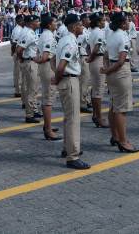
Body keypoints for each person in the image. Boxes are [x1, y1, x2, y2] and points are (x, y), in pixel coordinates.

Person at [52, 13, 91, 169]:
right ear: (74, 27)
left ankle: (67, 148)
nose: (82, 27)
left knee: (69, 117)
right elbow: (61, 65)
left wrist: (57, 77)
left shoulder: (65, 39)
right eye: (80, 24)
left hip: (67, 79)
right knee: (73, 119)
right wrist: (57, 78)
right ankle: (72, 156)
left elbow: (52, 59)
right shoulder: (70, 42)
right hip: (69, 80)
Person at [102, 12, 139, 152]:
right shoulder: (123, 36)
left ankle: (115, 136)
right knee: (121, 109)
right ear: (123, 23)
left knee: (114, 105)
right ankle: (123, 141)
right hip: (120, 71)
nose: (129, 22)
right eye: (127, 20)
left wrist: (107, 69)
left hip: (112, 69)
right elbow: (122, 60)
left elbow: (105, 54)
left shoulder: (111, 34)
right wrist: (108, 70)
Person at [35, 13, 61, 140]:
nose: (56, 24)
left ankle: (48, 125)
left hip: (46, 66)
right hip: (48, 66)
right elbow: (44, 56)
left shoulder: (45, 35)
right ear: (50, 24)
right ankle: (48, 129)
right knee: (48, 98)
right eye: (55, 22)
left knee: (48, 97)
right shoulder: (48, 37)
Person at [16, 15, 41, 123]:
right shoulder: (28, 33)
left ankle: (33, 110)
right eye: (37, 21)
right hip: (30, 62)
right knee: (32, 89)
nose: (39, 23)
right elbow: (19, 49)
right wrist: (22, 59)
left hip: (29, 61)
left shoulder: (28, 31)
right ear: (31, 23)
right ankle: (30, 114)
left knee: (30, 88)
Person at [87, 12, 109, 127]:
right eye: (102, 20)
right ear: (97, 22)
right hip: (98, 59)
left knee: (96, 89)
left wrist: (89, 57)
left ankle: (96, 115)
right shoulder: (99, 32)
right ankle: (99, 117)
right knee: (98, 90)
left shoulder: (92, 32)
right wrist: (91, 57)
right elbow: (96, 48)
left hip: (95, 60)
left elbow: (87, 47)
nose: (104, 22)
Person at [77, 13, 93, 113]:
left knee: (86, 82)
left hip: (86, 57)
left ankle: (86, 100)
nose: (90, 21)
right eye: (88, 19)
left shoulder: (86, 31)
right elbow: (78, 47)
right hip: (82, 58)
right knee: (83, 82)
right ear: (83, 21)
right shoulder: (81, 32)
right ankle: (82, 104)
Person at [10, 14, 25, 98]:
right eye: (23, 20)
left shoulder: (21, 29)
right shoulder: (17, 30)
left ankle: (19, 89)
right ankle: (18, 91)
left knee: (19, 72)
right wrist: (14, 53)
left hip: (20, 52)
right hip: (18, 53)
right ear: (19, 21)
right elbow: (14, 43)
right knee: (18, 73)